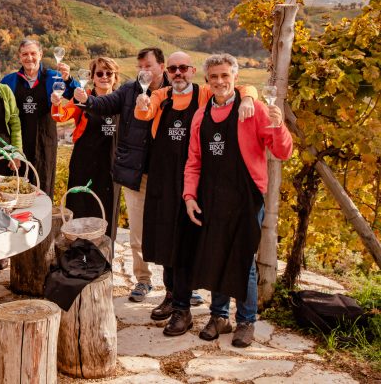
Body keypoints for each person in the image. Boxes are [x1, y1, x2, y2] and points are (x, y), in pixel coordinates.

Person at [133, 51, 256, 335]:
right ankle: (171, 298)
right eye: (173, 69)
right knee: (165, 243)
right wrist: (141, 103)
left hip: (194, 184)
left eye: (183, 68)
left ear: (192, 72)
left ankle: (183, 308)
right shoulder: (160, 95)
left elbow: (242, 88)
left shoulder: (203, 94)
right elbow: (143, 111)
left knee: (186, 245)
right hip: (164, 181)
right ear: (168, 72)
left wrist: (248, 98)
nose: (178, 73)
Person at [183, 53, 293, 347]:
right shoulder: (200, 115)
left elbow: (282, 152)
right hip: (211, 195)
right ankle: (219, 317)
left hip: (246, 195)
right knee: (215, 253)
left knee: (245, 261)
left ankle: (247, 321)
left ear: (235, 78)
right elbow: (194, 161)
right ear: (207, 80)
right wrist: (190, 195)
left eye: (225, 76)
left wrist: (279, 125)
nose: (220, 81)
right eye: (214, 77)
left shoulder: (255, 110)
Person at [76, 47, 168, 302]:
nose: (144, 71)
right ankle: (143, 280)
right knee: (137, 232)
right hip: (137, 173)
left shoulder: (176, 91)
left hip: (169, 174)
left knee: (172, 230)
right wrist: (86, 100)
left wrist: (248, 96)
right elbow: (106, 103)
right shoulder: (129, 90)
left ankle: (177, 287)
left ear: (162, 66)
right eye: (140, 67)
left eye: (148, 66)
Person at [1, 39, 76, 196]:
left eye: (33, 53)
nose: (29, 58)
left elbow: (76, 95)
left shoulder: (54, 77)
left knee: (44, 187)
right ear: (19, 57)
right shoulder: (9, 81)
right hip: (19, 145)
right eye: (25, 54)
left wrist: (68, 79)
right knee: (16, 190)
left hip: (45, 143)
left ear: (40, 55)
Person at [52, 56, 119, 225]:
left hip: (110, 165)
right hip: (83, 163)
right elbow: (60, 116)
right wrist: (56, 103)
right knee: (79, 209)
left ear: (115, 77)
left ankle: (104, 250)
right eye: (99, 73)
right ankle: (77, 248)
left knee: (107, 211)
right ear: (92, 77)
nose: (104, 76)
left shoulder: (121, 101)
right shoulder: (83, 97)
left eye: (109, 73)